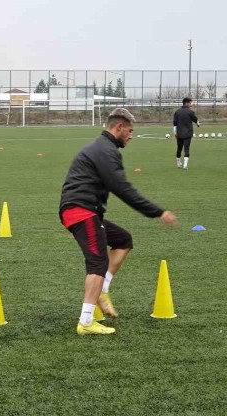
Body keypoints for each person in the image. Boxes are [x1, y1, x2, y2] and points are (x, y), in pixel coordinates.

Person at [59, 108, 178, 336]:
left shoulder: (103, 147)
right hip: (81, 211)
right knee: (97, 263)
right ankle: (86, 322)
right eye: (130, 131)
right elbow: (122, 188)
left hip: (83, 211)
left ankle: (102, 289)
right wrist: (158, 212)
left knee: (123, 240)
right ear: (119, 127)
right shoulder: (105, 150)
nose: (131, 136)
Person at [172, 97, 200, 169]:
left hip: (179, 133)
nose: (191, 104)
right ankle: (185, 165)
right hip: (188, 133)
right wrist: (198, 123)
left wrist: (175, 132)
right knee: (186, 149)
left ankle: (178, 164)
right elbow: (196, 120)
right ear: (186, 103)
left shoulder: (177, 112)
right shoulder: (190, 112)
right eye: (190, 103)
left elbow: (174, 123)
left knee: (179, 148)